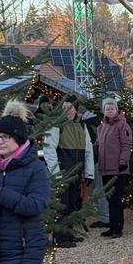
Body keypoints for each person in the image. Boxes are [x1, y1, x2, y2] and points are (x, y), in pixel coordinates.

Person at [0, 101, 51, 264]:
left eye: (4, 137)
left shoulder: (35, 168)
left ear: (17, 139)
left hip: (22, 248)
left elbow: (35, 205)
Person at [43, 94, 94, 248]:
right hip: (63, 171)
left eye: (71, 107)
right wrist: (56, 173)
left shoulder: (81, 125)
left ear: (76, 109)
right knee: (62, 205)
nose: (68, 111)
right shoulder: (57, 125)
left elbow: (89, 150)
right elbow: (49, 150)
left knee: (73, 204)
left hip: (77, 172)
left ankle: (69, 234)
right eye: (65, 108)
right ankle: (60, 237)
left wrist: (89, 172)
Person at [96, 98, 132, 239]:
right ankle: (112, 226)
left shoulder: (123, 126)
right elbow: (98, 145)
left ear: (116, 110)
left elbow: (126, 144)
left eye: (112, 108)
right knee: (109, 199)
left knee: (116, 199)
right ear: (104, 111)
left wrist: (123, 161)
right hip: (105, 169)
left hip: (118, 169)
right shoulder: (101, 127)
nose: (110, 111)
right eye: (107, 109)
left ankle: (118, 227)